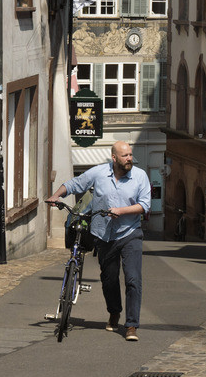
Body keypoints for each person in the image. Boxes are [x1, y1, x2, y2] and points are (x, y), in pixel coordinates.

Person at [48, 140, 152, 340]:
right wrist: (55, 196)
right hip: (103, 235)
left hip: (130, 232)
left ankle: (131, 325)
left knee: (132, 279)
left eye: (130, 155)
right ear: (114, 158)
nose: (130, 158)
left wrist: (121, 211)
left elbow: (145, 205)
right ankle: (114, 312)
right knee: (109, 279)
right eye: (125, 156)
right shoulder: (98, 173)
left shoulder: (140, 176)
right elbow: (74, 184)